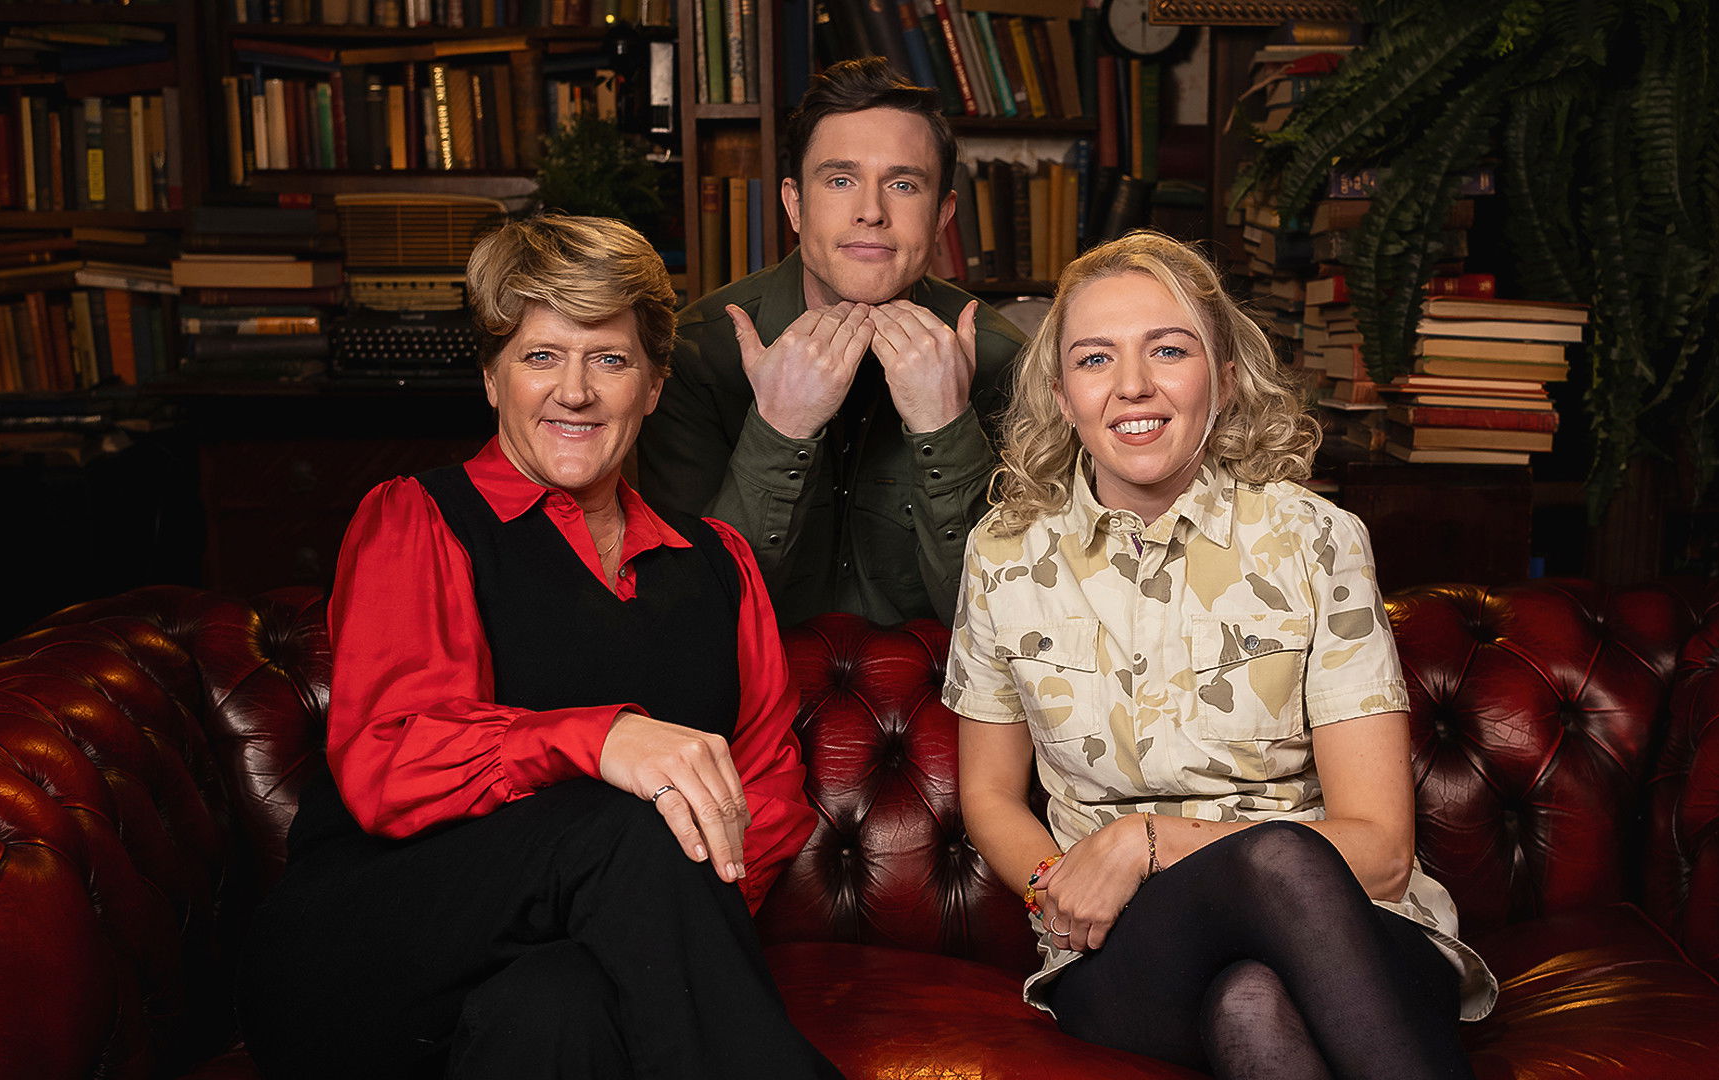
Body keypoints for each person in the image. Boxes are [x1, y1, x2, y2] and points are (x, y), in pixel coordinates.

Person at [240, 215, 841, 1080]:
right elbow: (390, 760)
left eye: (610, 359)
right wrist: (602, 740)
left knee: (559, 1005)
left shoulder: (719, 563)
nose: (575, 392)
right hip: (371, 949)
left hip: (550, 967)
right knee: (633, 828)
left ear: (654, 385)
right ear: (493, 379)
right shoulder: (420, 518)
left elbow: (765, 794)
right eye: (541, 356)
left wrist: (653, 926)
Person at [942, 231, 1496, 1079]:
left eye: (1169, 350)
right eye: (1095, 358)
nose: (1133, 384)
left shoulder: (1314, 540)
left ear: (1226, 377)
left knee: (1253, 1002)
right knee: (1270, 883)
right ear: (1061, 393)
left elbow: (1383, 852)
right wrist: (1061, 884)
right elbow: (987, 794)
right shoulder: (1003, 553)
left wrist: (1147, 839)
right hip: (1126, 951)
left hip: (1344, 927)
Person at [639, 58, 1026, 627]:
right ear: (795, 205)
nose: (871, 212)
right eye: (841, 180)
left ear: (942, 215)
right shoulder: (695, 355)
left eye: (902, 185)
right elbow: (694, 617)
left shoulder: (1003, 360)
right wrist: (780, 430)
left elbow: (1004, 623)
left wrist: (946, 427)